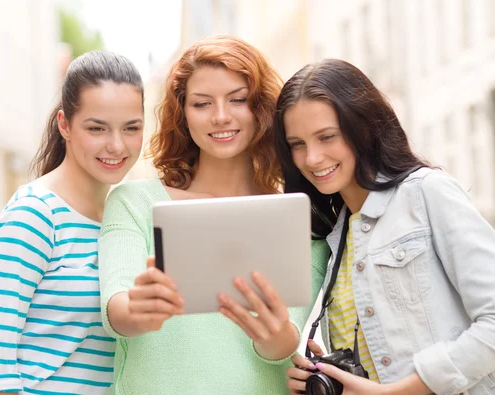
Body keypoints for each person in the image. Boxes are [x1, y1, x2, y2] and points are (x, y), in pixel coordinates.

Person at [274, 58, 495, 395]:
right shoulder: (336, 238)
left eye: (327, 137)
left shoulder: (426, 193)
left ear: (362, 128)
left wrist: (399, 391)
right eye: (298, 144)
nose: (312, 158)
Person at [98, 35, 330, 394]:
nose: (221, 116)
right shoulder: (135, 203)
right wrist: (138, 308)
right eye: (202, 103)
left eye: (238, 100)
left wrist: (276, 334)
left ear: (263, 109)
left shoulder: (300, 218)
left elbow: (285, 342)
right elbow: (117, 310)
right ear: (183, 114)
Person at [0, 50, 145, 395]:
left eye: (131, 128)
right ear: (65, 124)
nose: (116, 145)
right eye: (97, 128)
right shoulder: (34, 215)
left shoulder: (122, 220)